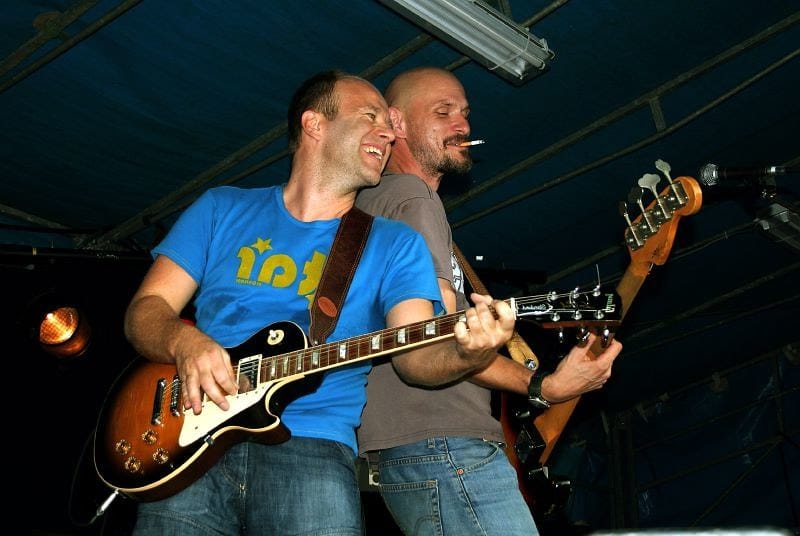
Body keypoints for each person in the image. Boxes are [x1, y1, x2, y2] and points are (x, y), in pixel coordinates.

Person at [122, 69, 516, 535]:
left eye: (388, 124)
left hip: (313, 446)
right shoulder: (221, 208)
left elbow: (417, 361)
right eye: (370, 117)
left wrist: (469, 352)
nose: (389, 133)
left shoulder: (395, 243)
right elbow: (146, 310)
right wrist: (185, 344)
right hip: (187, 438)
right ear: (314, 124)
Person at [355, 66, 624, 535]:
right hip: (441, 438)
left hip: (410, 442)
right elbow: (438, 337)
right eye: (443, 113)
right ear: (396, 123)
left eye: (464, 113)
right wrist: (543, 386)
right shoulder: (412, 197)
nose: (462, 125)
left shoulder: (377, 203)